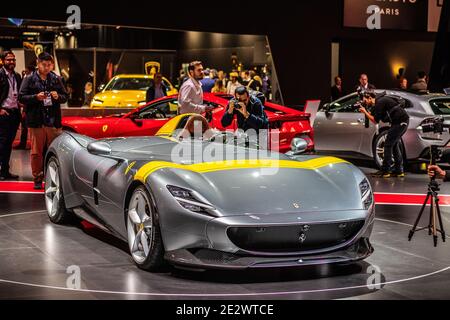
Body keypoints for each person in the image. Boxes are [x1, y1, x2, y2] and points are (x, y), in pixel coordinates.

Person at [19, 52, 68, 190]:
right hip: (36, 122)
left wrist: (58, 96)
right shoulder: (29, 78)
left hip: (53, 122)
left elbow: (65, 97)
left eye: (49, 65)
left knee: (53, 152)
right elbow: (21, 97)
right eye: (43, 64)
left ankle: (52, 177)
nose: (46, 67)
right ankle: (37, 178)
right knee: (36, 153)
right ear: (38, 63)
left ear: (52, 65)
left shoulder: (56, 79)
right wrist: (36, 97)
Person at [358, 90, 410, 178]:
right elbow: (373, 115)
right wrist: (365, 109)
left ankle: (385, 171)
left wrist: (364, 112)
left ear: (370, 98)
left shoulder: (380, 102)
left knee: (388, 145)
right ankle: (399, 171)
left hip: (401, 122)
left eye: (365, 100)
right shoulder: (378, 103)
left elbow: (375, 120)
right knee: (394, 144)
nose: (365, 102)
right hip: (399, 122)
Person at [0, 51, 22, 180]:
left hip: (14, 113)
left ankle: (5, 171)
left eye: (13, 60)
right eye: (8, 60)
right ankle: (2, 172)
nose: (12, 62)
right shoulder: (0, 75)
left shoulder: (17, 76)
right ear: (3, 61)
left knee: (8, 144)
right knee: (2, 143)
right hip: (3, 113)